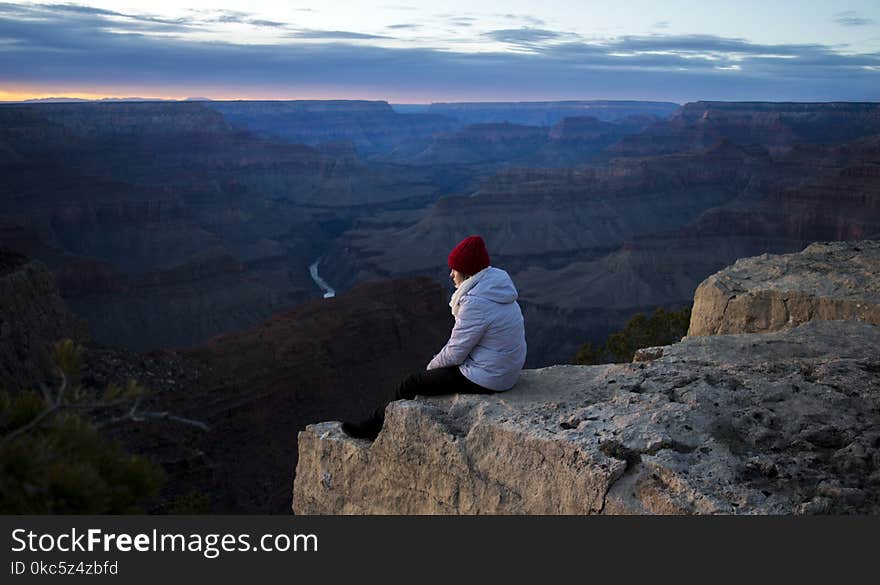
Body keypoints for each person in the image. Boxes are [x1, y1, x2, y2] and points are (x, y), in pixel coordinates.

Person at [341, 235, 527, 441]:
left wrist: (431, 369)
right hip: (505, 370)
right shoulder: (496, 288)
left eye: (454, 269)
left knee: (411, 383)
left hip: (489, 377)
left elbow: (455, 352)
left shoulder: (476, 304)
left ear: (466, 273)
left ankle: (372, 427)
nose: (450, 274)